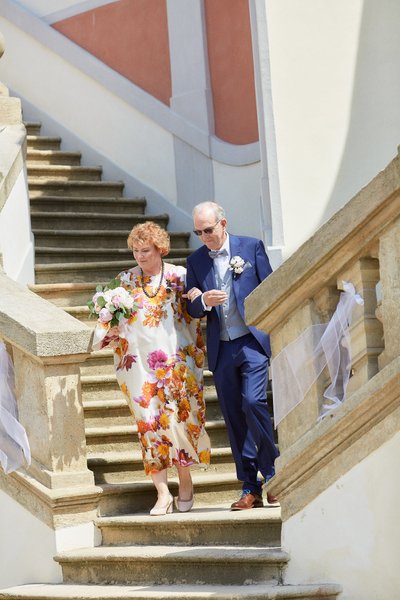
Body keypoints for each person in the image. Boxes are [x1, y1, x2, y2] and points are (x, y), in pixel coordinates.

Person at [92, 221, 210, 515]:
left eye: (145, 250)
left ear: (160, 249)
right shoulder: (123, 282)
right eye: (135, 250)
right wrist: (112, 332)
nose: (140, 256)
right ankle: (162, 493)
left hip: (176, 363)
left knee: (179, 422)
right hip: (139, 368)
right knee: (148, 424)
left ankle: (185, 482)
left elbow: (196, 313)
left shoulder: (179, 277)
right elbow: (106, 322)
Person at [185, 201, 279, 510]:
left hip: (251, 342)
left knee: (253, 403)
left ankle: (275, 474)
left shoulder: (251, 247)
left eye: (208, 230)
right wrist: (205, 302)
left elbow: (271, 288)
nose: (204, 237)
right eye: (199, 232)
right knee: (233, 416)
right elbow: (191, 305)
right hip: (222, 347)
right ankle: (249, 486)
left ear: (223, 223)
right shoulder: (196, 261)